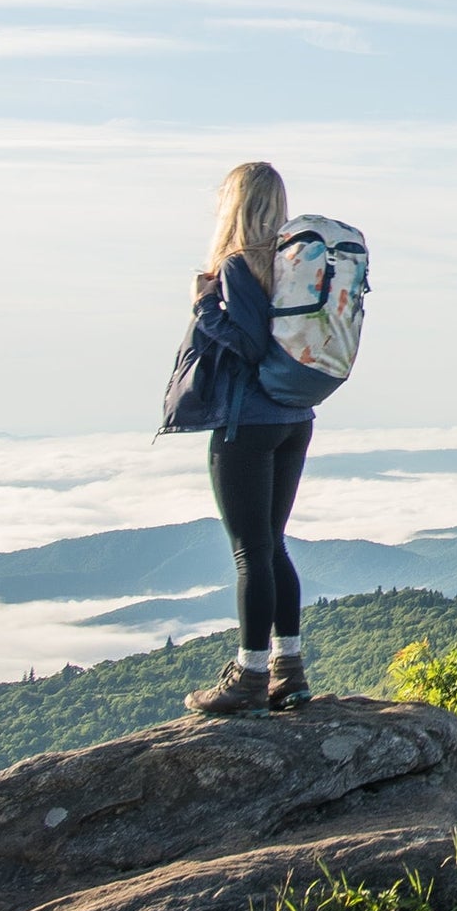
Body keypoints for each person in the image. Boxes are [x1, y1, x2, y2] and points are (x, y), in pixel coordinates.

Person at [158, 161, 318, 715]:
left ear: (235, 205)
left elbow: (248, 345)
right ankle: (289, 672)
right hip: (293, 418)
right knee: (273, 545)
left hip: (246, 423)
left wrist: (203, 303)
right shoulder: (294, 263)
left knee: (251, 551)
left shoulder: (238, 264)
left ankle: (250, 677)